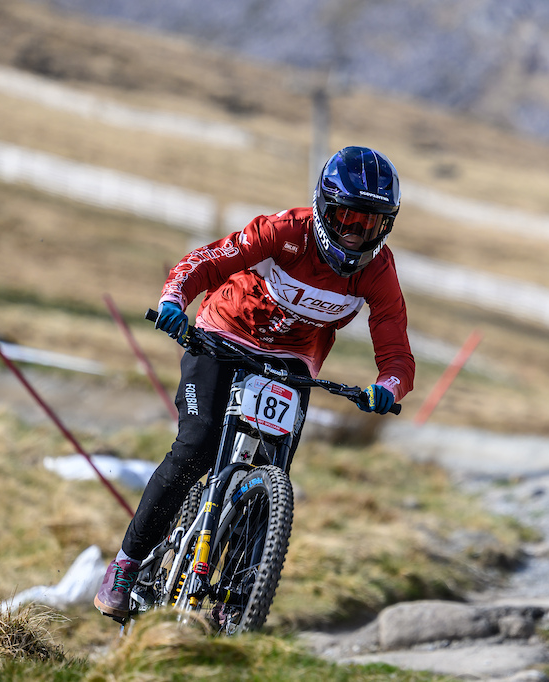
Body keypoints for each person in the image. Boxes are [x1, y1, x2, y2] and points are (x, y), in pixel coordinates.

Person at [95, 145, 416, 620]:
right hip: (222, 336)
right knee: (197, 446)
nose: (354, 235)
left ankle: (239, 598)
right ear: (324, 208)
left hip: (291, 363)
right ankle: (126, 564)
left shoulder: (378, 271)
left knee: (271, 471)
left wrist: (388, 386)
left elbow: (396, 351)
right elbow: (205, 260)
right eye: (346, 217)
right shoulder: (284, 231)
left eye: (368, 225)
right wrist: (173, 300)